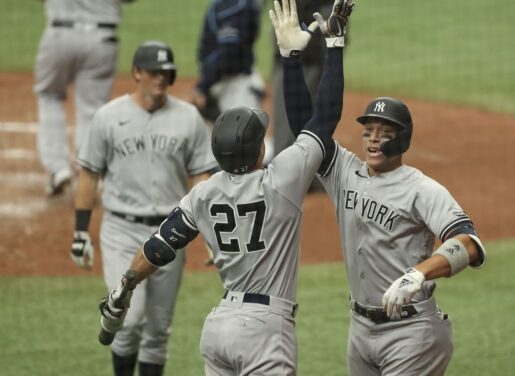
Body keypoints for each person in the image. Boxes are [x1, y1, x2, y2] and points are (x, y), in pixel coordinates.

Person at [97, 1, 353, 374]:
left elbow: (159, 246)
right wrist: (325, 48)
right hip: (265, 329)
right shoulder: (282, 178)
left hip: (218, 329)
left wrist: (127, 282)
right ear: (259, 149)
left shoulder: (203, 193)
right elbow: (321, 120)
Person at [284, 14, 488, 376]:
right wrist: (293, 60)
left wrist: (418, 275)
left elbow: (469, 243)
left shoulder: (421, 189)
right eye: (369, 130)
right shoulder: (344, 171)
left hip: (412, 332)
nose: (374, 138)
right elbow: (306, 133)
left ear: (403, 138)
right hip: (360, 330)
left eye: (385, 131)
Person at [69, 40, 218, 376]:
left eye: (167, 73)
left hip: (172, 232)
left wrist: (206, 230)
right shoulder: (108, 117)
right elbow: (89, 173)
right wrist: (80, 230)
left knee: (158, 328)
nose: (161, 78)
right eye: (154, 72)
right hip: (121, 230)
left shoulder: (188, 117)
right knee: (129, 318)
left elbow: (199, 176)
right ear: (137, 73)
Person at [34, 0, 135, 196]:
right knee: (92, 108)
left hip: (59, 35)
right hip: (102, 39)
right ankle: (87, 169)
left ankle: (58, 169)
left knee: (50, 96)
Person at [190, 0, 274, 164]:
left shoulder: (233, 6)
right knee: (217, 153)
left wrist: (203, 86)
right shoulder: (235, 4)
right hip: (227, 83)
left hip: (235, 88)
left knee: (242, 149)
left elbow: (230, 53)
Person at [270, 0, 334, 193]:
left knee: (314, 115)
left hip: (314, 52)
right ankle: (286, 179)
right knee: (290, 119)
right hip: (295, 51)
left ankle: (309, 175)